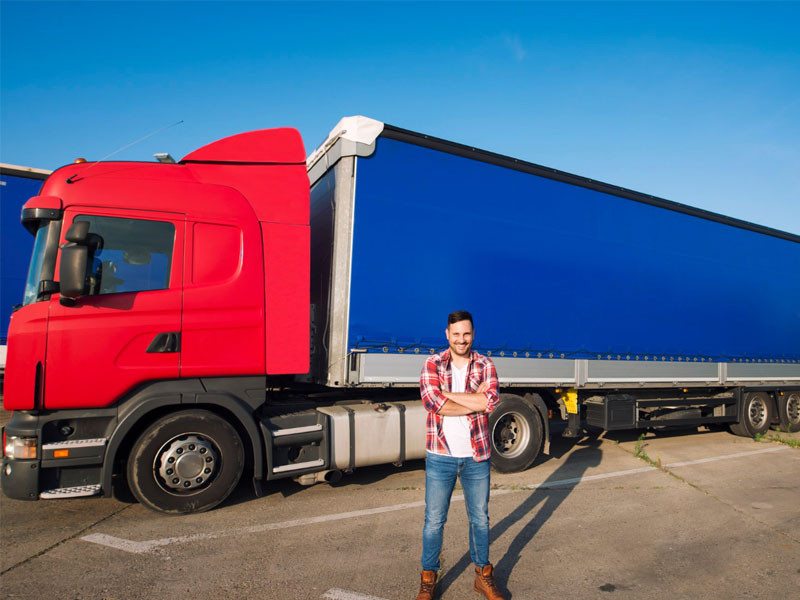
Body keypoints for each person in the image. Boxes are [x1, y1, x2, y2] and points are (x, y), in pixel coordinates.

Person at [415, 310, 506, 600]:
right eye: (456, 334)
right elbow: (432, 401)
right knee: (434, 521)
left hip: (476, 456)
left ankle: (482, 575)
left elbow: (490, 400)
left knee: (480, 519)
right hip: (440, 455)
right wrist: (474, 402)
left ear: (473, 334)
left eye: (466, 334)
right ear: (447, 335)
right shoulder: (432, 363)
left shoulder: (485, 365)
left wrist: (449, 396)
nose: (461, 339)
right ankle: (428, 577)